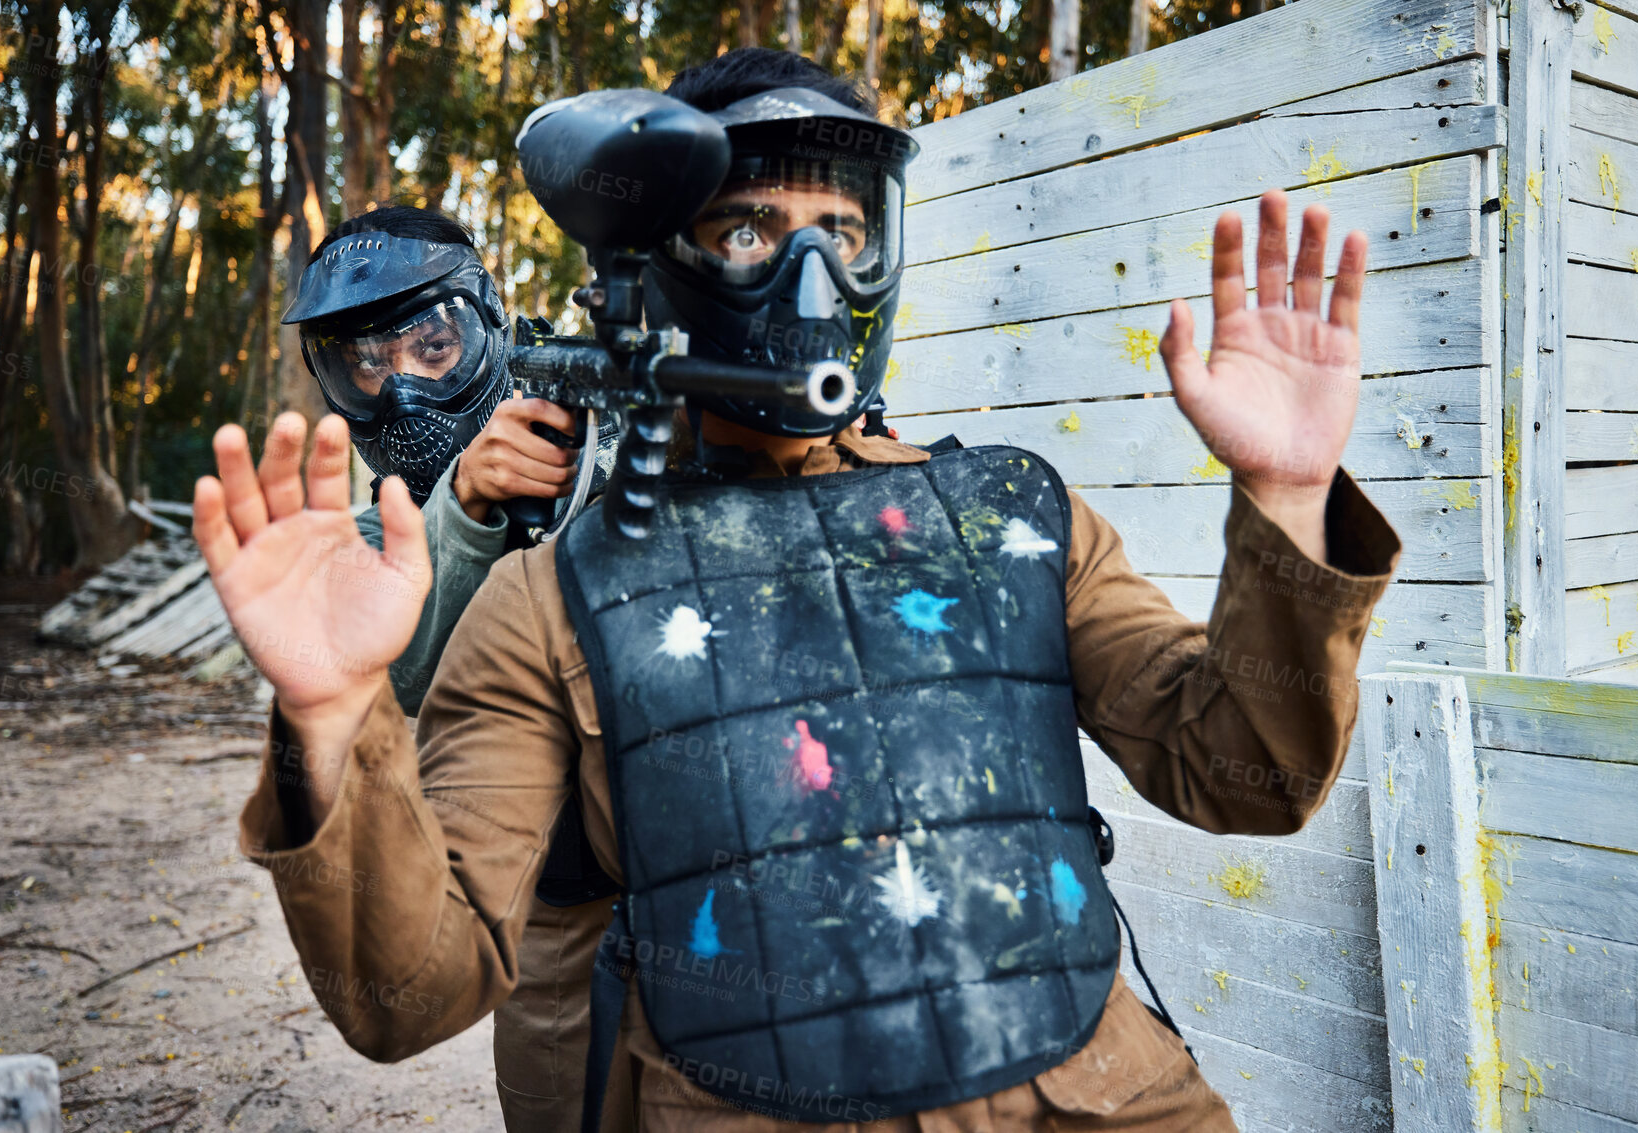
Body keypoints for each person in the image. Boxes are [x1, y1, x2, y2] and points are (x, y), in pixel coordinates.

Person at [197, 49, 1401, 1131]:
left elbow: (1248, 772)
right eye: (747, 228)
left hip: (1095, 1098)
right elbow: (409, 993)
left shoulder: (1010, 514)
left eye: (843, 227)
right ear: (663, 253)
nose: (809, 270)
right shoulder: (549, 594)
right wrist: (332, 713)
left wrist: (1286, 503)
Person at [272, 205, 631, 1131]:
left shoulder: (592, 401)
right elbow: (394, 680)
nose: (401, 391)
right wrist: (468, 504)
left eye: (431, 345)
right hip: (560, 900)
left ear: (489, 327)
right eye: (365, 366)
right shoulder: (370, 539)